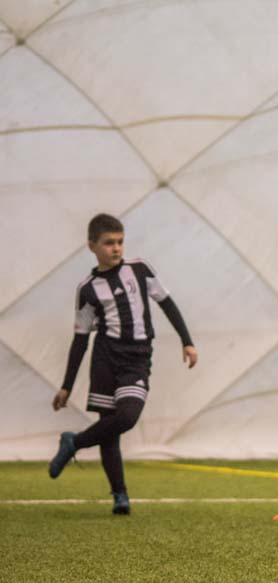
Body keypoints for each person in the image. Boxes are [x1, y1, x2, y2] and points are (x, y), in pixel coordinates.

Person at [49, 213, 198, 515]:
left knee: (127, 416)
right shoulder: (87, 289)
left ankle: (74, 442)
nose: (116, 248)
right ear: (92, 246)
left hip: (137, 359)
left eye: (120, 242)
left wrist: (187, 340)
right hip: (105, 359)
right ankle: (120, 495)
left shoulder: (140, 269)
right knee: (110, 431)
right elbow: (80, 340)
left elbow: (167, 303)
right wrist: (66, 386)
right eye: (108, 243)